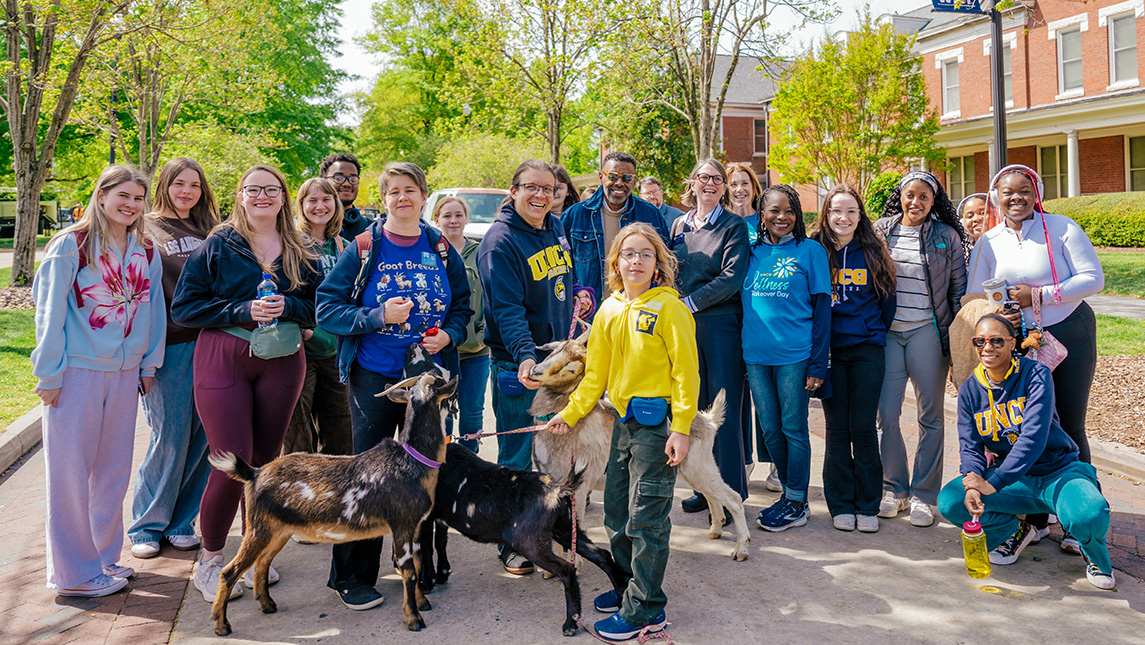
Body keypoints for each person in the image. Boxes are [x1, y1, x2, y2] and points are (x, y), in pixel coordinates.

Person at [316, 162, 471, 610]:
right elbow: (327, 309)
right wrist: (377, 316)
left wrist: (450, 335)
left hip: (428, 382)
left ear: (424, 195)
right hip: (376, 378)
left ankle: (417, 569)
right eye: (394, 191)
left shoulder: (441, 247)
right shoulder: (365, 246)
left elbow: (462, 307)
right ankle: (352, 576)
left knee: (424, 473)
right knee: (366, 477)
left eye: (411, 190)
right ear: (382, 199)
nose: (403, 198)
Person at [172, 164, 320, 603]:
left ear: (282, 196)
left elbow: (319, 307)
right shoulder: (217, 244)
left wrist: (289, 305)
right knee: (230, 462)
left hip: (282, 361)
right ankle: (212, 560)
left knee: (264, 468)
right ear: (239, 195)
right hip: (224, 358)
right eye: (253, 189)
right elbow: (185, 307)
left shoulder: (301, 247)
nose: (262, 196)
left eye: (271, 190)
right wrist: (241, 311)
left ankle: (252, 552)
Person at [545, 222, 696, 642]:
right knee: (615, 511)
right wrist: (570, 415)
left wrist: (681, 428)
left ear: (658, 264)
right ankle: (629, 588)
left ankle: (646, 611)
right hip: (623, 424)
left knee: (647, 517)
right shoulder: (609, 309)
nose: (636, 260)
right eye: (628, 253)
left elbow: (686, 372)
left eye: (645, 254)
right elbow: (595, 376)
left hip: (659, 424)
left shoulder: (671, 308)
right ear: (615, 262)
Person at [32, 165, 165, 597]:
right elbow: (49, 314)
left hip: (126, 375)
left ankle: (104, 558)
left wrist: (148, 365)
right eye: (122, 195)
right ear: (102, 194)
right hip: (76, 373)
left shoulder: (145, 248)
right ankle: (73, 574)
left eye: (138, 198)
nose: (130, 205)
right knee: (70, 474)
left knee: (112, 472)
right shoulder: (70, 244)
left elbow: (153, 311)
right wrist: (49, 373)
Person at [967, 164, 1104, 555]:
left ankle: (1079, 521)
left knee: (1070, 423)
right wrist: (999, 314)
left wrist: (1040, 294)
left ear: (1036, 192)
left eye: (1024, 190)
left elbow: (1093, 278)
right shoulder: (988, 241)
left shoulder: (1061, 227)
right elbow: (977, 292)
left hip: (1069, 332)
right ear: (997, 197)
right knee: (1027, 427)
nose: (1016, 197)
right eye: (1007, 192)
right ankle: (1034, 522)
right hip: (1020, 344)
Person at [936, 313, 1115, 590]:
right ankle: (1014, 531)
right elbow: (969, 445)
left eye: (996, 340)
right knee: (952, 500)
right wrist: (973, 481)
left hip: (1058, 472)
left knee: (1089, 515)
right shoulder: (971, 389)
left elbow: (1033, 438)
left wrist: (993, 483)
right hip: (1016, 481)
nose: (987, 347)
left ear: (1012, 343)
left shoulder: (1035, 374)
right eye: (980, 341)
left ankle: (1096, 556)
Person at [478, 159, 574, 575]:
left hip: (557, 361)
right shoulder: (499, 242)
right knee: (517, 459)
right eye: (531, 187)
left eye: (549, 189)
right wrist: (525, 357)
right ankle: (511, 543)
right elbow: (507, 309)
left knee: (553, 455)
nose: (541, 195)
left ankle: (545, 532)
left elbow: (559, 283)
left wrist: (578, 301)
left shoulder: (553, 226)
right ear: (512, 191)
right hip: (520, 365)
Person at [128, 158, 220, 560]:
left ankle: (182, 521)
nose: (187, 191)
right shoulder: (144, 229)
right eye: (179, 183)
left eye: (195, 185)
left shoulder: (209, 230)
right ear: (164, 184)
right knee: (169, 435)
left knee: (204, 437)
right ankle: (147, 525)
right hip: (169, 347)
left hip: (212, 343)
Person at [874, 171, 969, 527]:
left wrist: (960, 339)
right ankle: (893, 489)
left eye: (924, 197)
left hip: (928, 332)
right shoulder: (881, 230)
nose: (915, 202)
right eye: (910, 195)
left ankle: (923, 496)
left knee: (930, 416)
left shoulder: (946, 236)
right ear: (900, 196)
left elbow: (958, 290)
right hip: (888, 334)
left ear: (934, 201)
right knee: (886, 415)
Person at [742, 184, 831, 531]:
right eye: (774, 210)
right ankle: (789, 495)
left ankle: (797, 501)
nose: (782, 217)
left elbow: (823, 310)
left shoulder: (811, 251)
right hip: (755, 357)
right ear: (761, 215)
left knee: (794, 429)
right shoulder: (751, 252)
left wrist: (818, 362)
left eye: (789, 210)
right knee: (769, 430)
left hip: (795, 355)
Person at [809, 185, 897, 533]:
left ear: (860, 217)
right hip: (829, 350)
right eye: (835, 211)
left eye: (850, 212)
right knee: (836, 428)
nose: (842, 218)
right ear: (826, 214)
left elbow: (887, 302)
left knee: (862, 429)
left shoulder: (874, 250)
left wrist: (869, 330)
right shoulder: (815, 250)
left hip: (866, 348)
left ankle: (867, 504)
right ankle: (841, 504)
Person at [670, 158, 751, 512]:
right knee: (693, 407)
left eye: (717, 179)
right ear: (693, 183)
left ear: (723, 187)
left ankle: (732, 492)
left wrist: (689, 302)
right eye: (704, 177)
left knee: (724, 409)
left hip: (721, 326)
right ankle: (704, 489)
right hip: (684, 327)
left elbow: (732, 277)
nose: (710, 183)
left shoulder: (733, 226)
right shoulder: (677, 225)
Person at [282, 178, 352, 456]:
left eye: (326, 199)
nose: (320, 206)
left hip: (338, 354)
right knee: (298, 435)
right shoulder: (290, 244)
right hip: (302, 351)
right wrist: (307, 330)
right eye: (312, 200)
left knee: (342, 433)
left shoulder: (345, 246)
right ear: (300, 205)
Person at [724, 161, 778, 490]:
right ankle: (742, 461)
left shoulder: (766, 222)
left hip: (762, 315)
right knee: (738, 396)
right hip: (732, 317)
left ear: (754, 188)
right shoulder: (725, 224)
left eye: (745, 183)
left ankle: (774, 463)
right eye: (734, 184)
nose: (740, 189)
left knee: (765, 395)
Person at [562, 152, 670, 303]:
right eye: (612, 176)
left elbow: (665, 261)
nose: (619, 183)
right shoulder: (574, 216)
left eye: (626, 178)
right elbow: (562, 265)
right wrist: (575, 292)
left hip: (638, 312)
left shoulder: (651, 215)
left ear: (634, 181)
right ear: (601, 177)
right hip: (589, 314)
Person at [432, 196, 489, 451]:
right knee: (442, 415)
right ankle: (444, 468)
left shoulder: (481, 251)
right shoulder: (430, 251)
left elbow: (493, 294)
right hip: (441, 350)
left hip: (476, 350)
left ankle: (470, 466)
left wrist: (483, 333)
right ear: (436, 219)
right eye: (446, 215)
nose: (453, 220)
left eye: (458, 215)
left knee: (472, 414)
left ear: (466, 218)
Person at [319, 153, 369, 240]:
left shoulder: (371, 231)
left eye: (353, 179)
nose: (347, 184)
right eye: (338, 178)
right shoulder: (307, 231)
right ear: (323, 182)